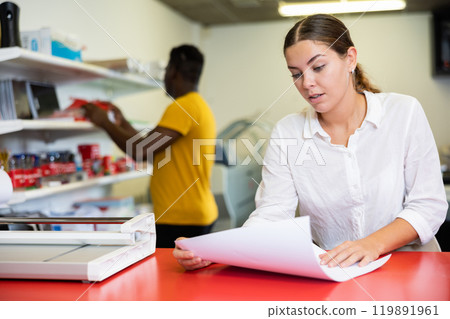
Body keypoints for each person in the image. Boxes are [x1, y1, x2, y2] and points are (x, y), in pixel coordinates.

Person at [173, 14, 448, 270]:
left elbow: (429, 206)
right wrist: (218, 251)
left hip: (410, 268)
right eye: (296, 73)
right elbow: (272, 214)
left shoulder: (403, 112)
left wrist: (372, 244)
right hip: (335, 272)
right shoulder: (287, 132)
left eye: (318, 67)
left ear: (350, 58)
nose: (307, 83)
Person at [83, 44, 218, 248]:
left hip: (180, 219)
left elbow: (139, 151)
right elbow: (150, 148)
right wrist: (123, 123)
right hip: (196, 214)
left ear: (172, 71)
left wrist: (104, 121)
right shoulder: (199, 106)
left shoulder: (182, 107)